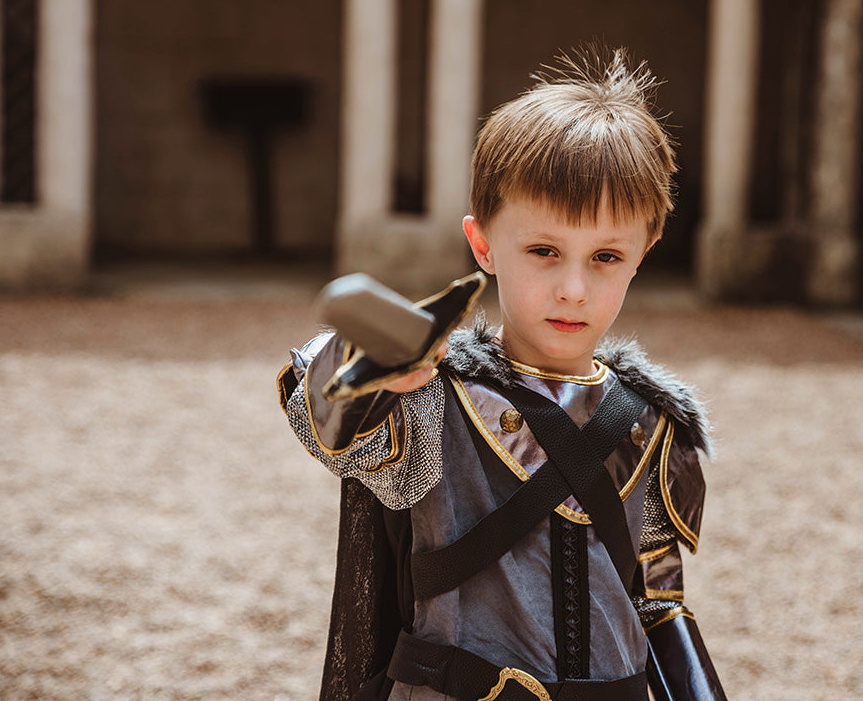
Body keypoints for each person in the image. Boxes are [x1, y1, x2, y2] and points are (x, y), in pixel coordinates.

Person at [277, 48, 727, 701]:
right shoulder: (431, 403)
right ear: (484, 244)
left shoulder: (655, 428)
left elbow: (659, 603)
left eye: (605, 255)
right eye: (543, 250)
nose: (573, 287)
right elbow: (326, 424)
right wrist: (378, 365)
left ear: (643, 253)